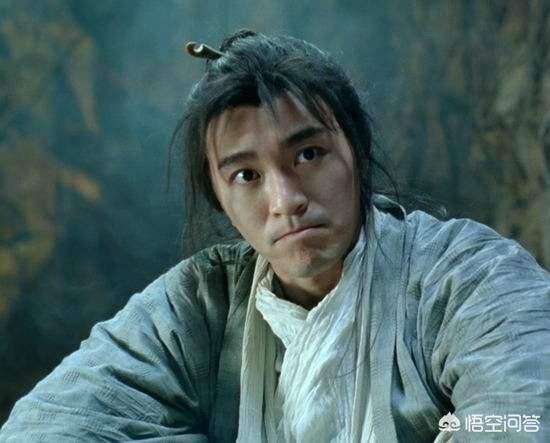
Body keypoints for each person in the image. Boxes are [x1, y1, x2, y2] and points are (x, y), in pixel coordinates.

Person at [1, 29, 549, 442]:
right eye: (246, 176)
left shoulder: (470, 278)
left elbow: (524, 416)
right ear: (219, 198)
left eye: (308, 155)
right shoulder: (200, 305)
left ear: (356, 154)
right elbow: (42, 427)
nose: (285, 200)